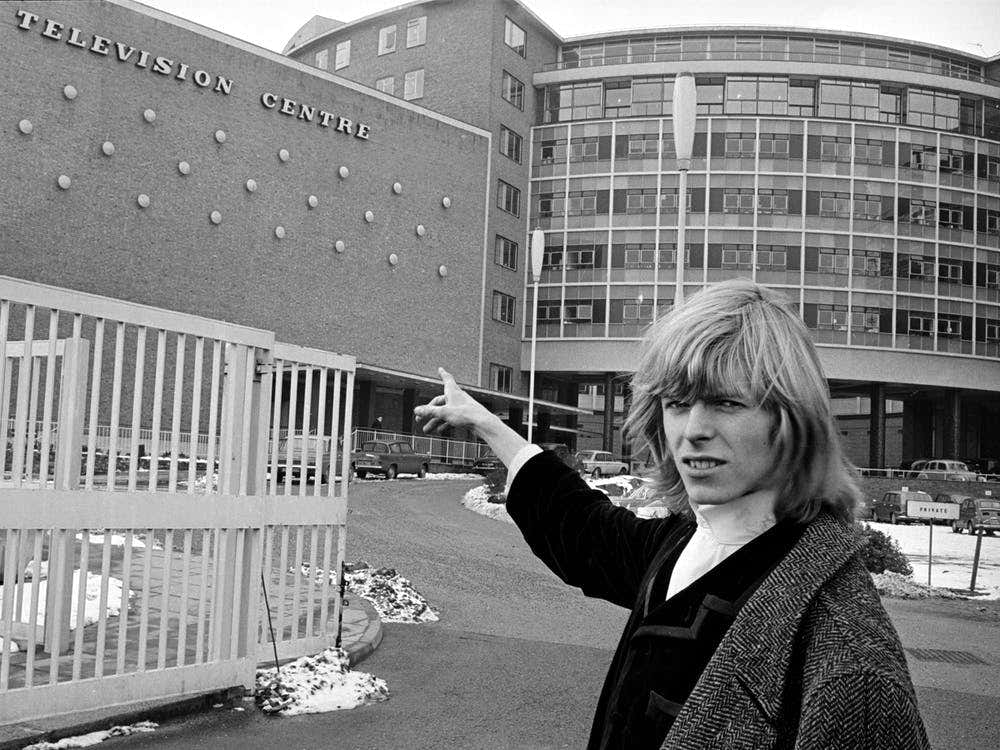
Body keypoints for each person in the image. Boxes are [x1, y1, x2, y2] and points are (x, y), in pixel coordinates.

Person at [414, 278, 929, 749]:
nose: (693, 430)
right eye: (678, 403)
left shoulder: (850, 658)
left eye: (726, 402)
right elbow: (583, 529)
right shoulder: (685, 542)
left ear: (791, 417)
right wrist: (485, 423)